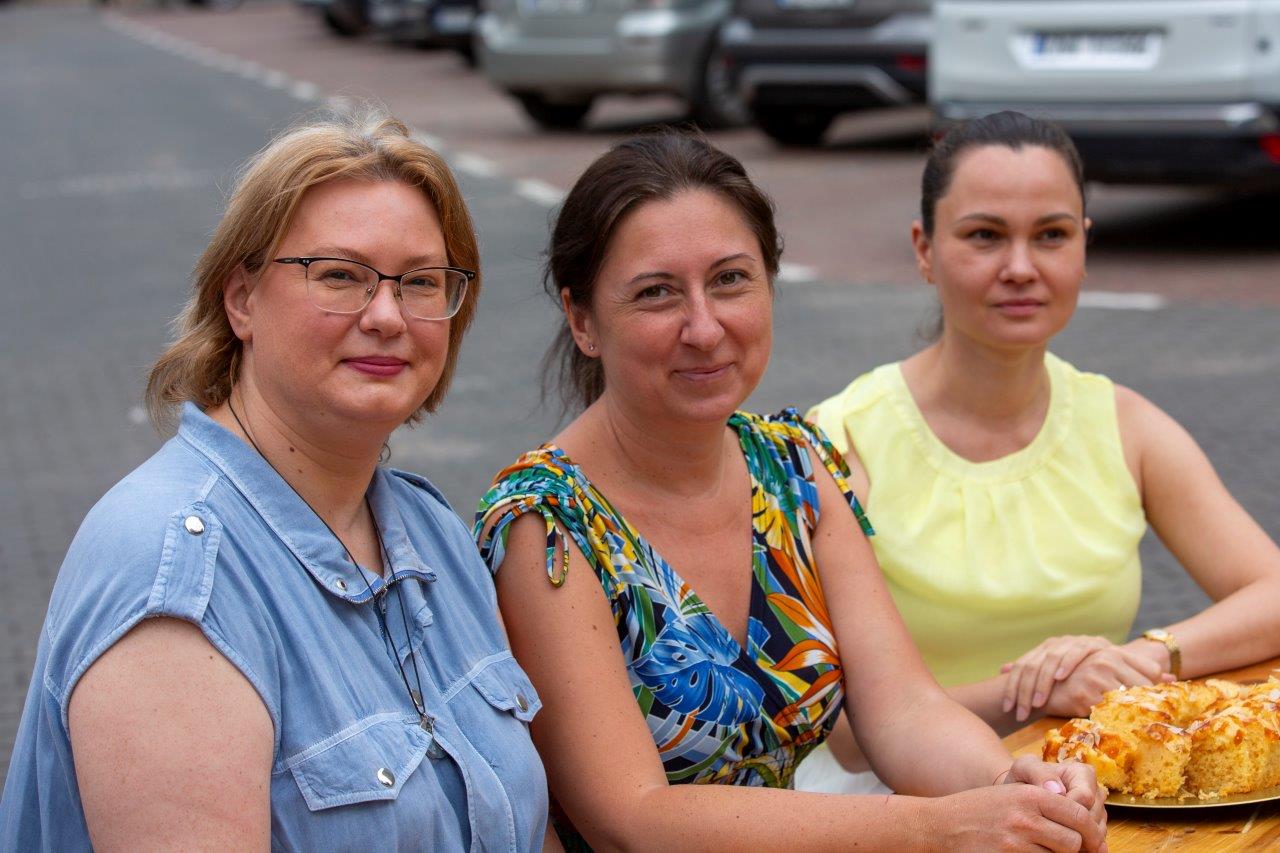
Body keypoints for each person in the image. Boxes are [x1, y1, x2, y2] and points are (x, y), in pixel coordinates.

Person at [473, 131, 1108, 851]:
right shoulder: (546, 525)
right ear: (583, 320)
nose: (704, 327)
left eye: (730, 280)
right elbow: (633, 817)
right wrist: (937, 825)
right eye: (657, 293)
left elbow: (903, 709)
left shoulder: (794, 465)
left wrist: (1014, 788)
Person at [0, 111, 552, 851]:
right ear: (241, 299)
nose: (387, 315)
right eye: (340, 276)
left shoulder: (433, 535)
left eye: (421, 282)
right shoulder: (177, 580)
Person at [804, 110, 1280, 790]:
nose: (1021, 268)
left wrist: (1146, 658)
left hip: (1095, 790)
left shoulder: (1124, 424)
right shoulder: (841, 442)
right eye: (985, 236)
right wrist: (1036, 688)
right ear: (924, 248)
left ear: (1084, 246)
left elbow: (1271, 592)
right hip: (893, 807)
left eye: (1051, 235)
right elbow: (844, 734)